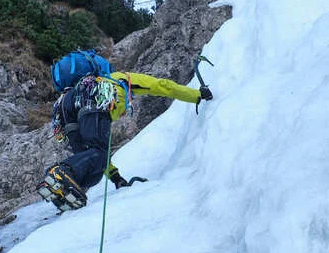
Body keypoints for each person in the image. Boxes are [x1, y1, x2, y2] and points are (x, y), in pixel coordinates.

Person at [37, 52, 213, 211]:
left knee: (91, 166)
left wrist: (115, 178)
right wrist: (196, 95)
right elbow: (161, 85)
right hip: (90, 98)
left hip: (65, 109)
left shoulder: (71, 92)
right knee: (96, 153)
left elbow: (98, 155)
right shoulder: (116, 79)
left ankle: (62, 191)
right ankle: (60, 173)